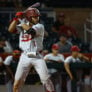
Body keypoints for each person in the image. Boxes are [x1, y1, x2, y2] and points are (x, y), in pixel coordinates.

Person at [8, 8, 55, 92]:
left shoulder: (40, 26)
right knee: (17, 83)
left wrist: (20, 20)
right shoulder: (23, 25)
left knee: (46, 80)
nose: (37, 18)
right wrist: (15, 18)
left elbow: (31, 31)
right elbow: (10, 29)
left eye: (37, 17)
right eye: (34, 17)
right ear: (29, 18)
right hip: (24, 56)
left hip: (37, 56)